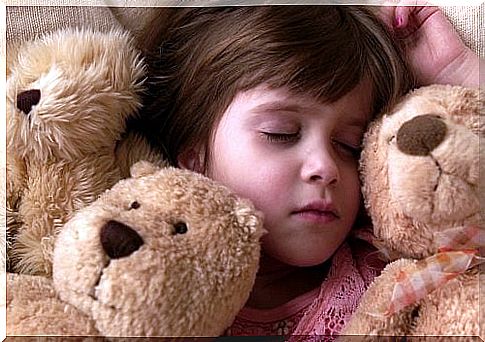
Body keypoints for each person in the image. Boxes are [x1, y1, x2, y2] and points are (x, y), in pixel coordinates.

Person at [138, 5, 480, 338]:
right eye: (281, 133)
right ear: (195, 158)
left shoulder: (390, 278)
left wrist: (461, 75)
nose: (326, 167)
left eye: (350, 145)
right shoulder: (156, 288)